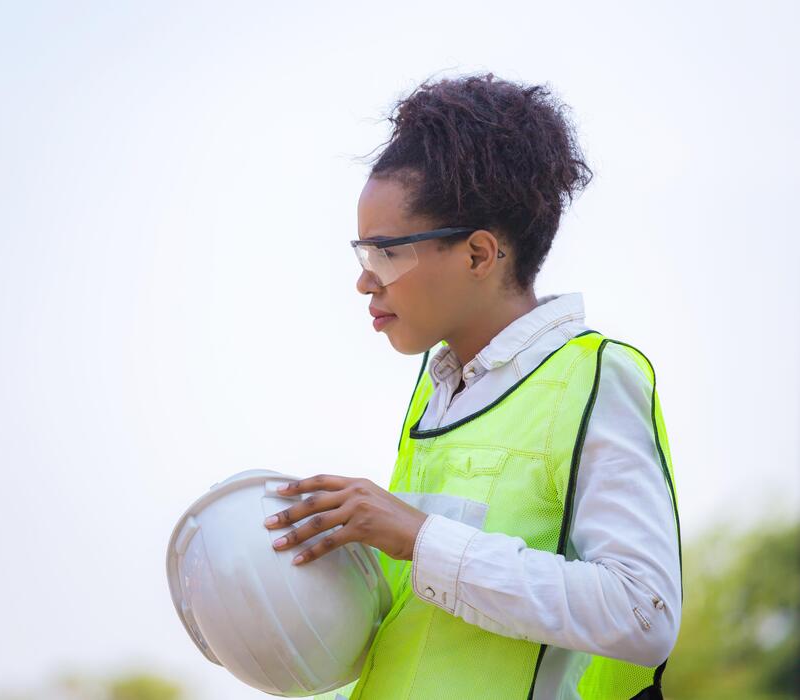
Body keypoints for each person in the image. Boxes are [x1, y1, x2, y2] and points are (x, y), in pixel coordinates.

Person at [262, 72, 682, 699]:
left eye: (385, 253)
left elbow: (642, 611)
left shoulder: (594, 376)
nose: (365, 281)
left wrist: (417, 536)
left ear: (479, 255)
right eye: (362, 254)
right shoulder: (434, 390)